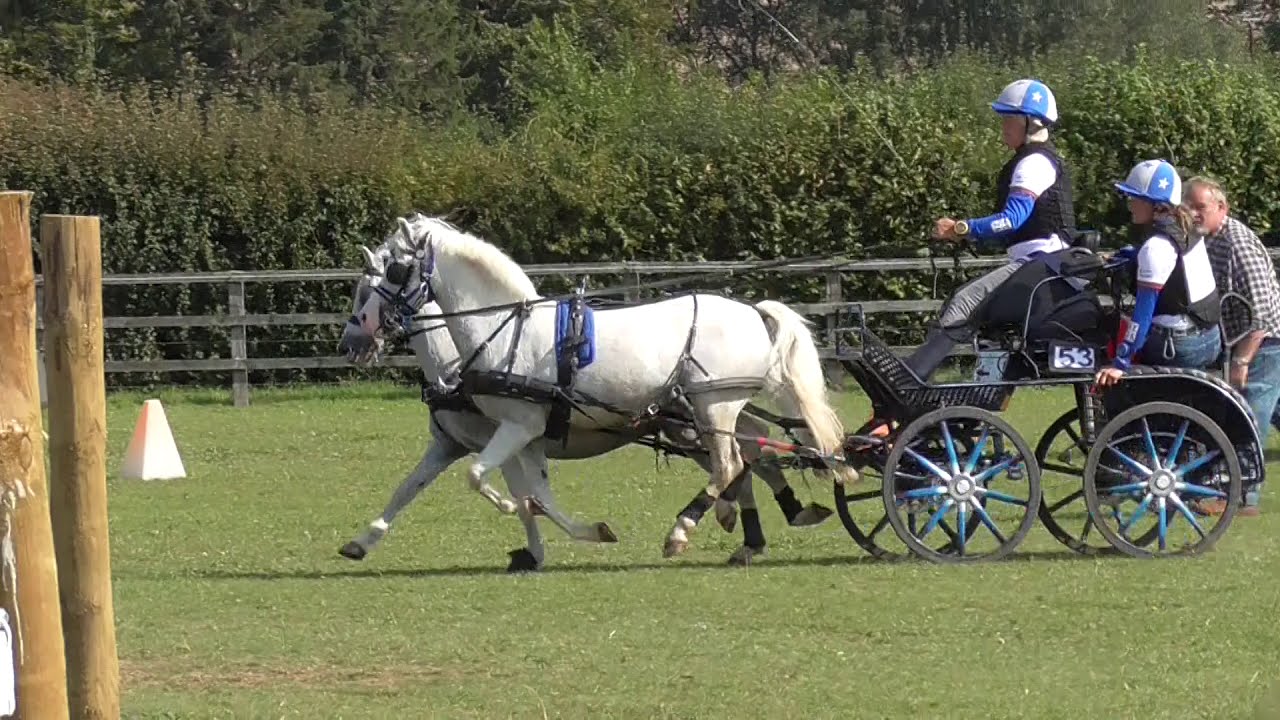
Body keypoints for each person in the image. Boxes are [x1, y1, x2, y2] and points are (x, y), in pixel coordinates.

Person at [901, 78, 1077, 383]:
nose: (1003, 126)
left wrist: (961, 228)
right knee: (966, 304)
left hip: (1041, 263)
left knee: (964, 302)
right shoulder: (1031, 160)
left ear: (1032, 123)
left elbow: (1012, 219)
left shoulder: (1034, 162)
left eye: (1009, 119)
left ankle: (908, 382)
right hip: (1036, 263)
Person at [1186, 175, 1279, 516]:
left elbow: (1263, 310)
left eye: (1201, 207)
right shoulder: (1206, 240)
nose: (1194, 213)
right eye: (1189, 207)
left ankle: (1243, 497)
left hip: (1264, 342)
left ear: (1221, 207)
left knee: (1247, 416)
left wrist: (1242, 361)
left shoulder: (1237, 243)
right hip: (1241, 339)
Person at [1094, 159, 1222, 389]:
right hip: (1209, 336)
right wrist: (1128, 256)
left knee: (1109, 335)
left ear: (1156, 204)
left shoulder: (1156, 247)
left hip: (1180, 345)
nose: (1130, 204)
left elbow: (1142, 315)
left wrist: (1120, 362)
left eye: (1135, 198)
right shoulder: (1184, 226)